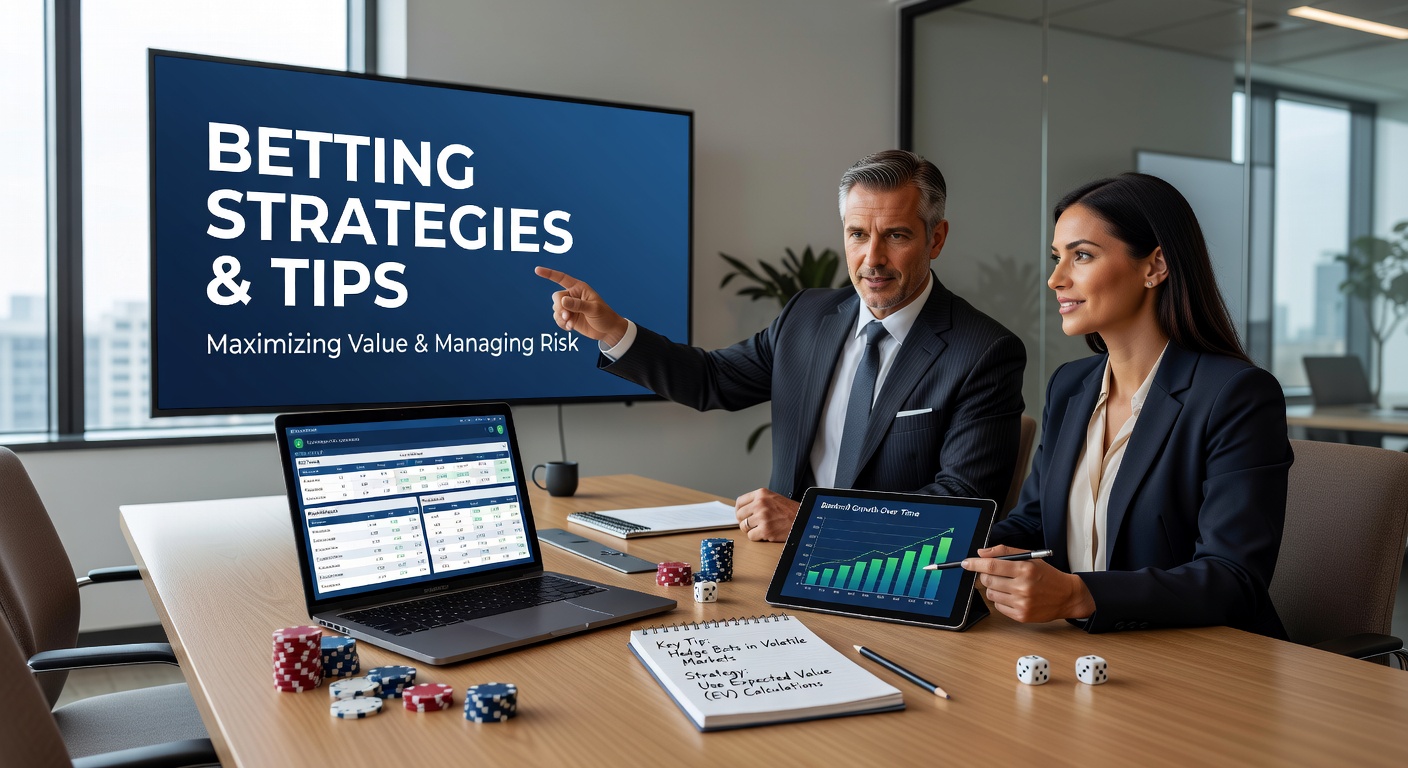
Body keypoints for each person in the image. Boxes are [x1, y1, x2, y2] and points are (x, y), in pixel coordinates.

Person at [536, 150, 1025, 542]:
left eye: (895, 235)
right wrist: (613, 331)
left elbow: (962, 503)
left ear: (935, 238)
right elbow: (713, 380)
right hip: (777, 568)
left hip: (891, 579)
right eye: (857, 235)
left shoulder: (983, 351)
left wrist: (815, 525)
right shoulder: (807, 317)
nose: (871, 258)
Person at [967, 173, 1292, 637]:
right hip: (1084, 652)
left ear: (1154, 266)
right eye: (1057, 257)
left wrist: (1080, 595)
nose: (1056, 278)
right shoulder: (1070, 386)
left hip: (1202, 663)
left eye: (1081, 256)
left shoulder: (1236, 395)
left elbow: (1233, 578)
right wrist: (981, 548)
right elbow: (1037, 518)